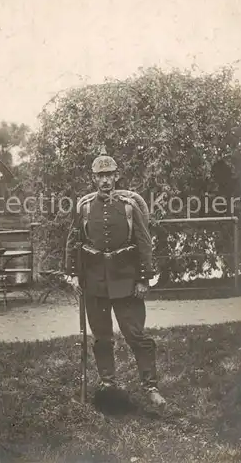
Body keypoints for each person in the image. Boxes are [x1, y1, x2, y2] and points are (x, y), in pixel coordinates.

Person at [65, 147, 166, 408]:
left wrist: (144, 279)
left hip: (127, 282)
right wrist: (74, 274)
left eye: (109, 174)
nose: (105, 180)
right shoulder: (85, 207)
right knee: (102, 338)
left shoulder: (130, 206)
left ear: (117, 176)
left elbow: (144, 243)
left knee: (136, 335)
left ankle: (150, 386)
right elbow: (74, 241)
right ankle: (108, 384)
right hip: (94, 283)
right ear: (93, 179)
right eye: (100, 176)